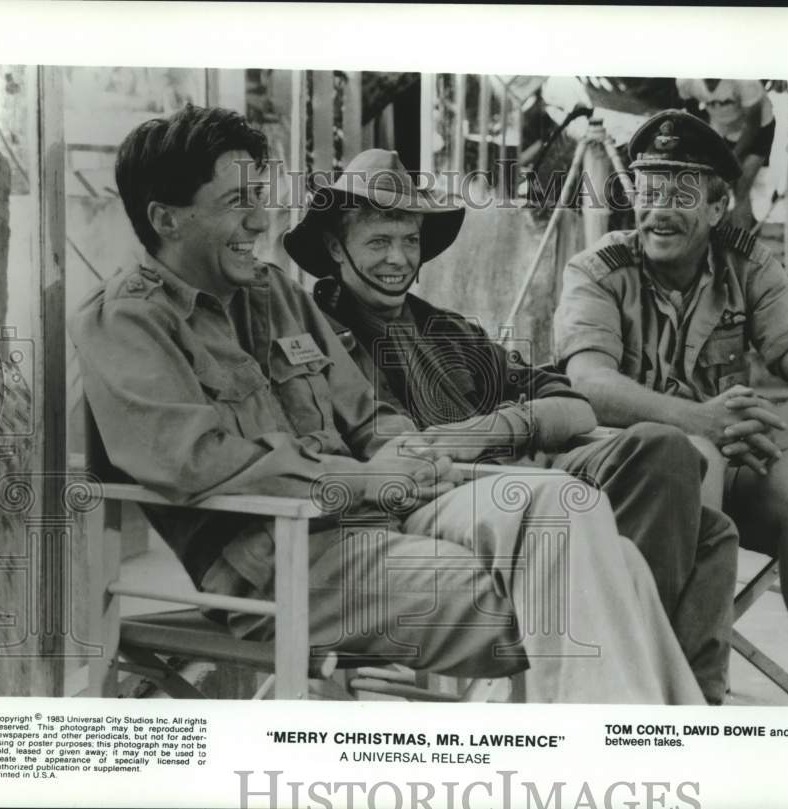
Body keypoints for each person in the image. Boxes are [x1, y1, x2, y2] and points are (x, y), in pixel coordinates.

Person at [69, 103, 706, 705]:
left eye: (259, 198)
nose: (260, 222)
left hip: (389, 513)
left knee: (576, 509)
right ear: (165, 218)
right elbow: (195, 463)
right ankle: (645, 758)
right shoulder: (127, 320)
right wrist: (365, 479)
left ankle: (645, 752)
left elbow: (367, 416)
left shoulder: (274, 295)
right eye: (237, 204)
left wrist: (410, 456)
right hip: (282, 561)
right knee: (601, 579)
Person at [282, 148, 739, 705]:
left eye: (409, 240)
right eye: (379, 241)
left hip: (516, 477)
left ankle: (652, 692)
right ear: (336, 247)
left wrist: (491, 429)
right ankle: (631, 691)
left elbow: (572, 406)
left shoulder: (446, 330)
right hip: (444, 505)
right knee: (679, 510)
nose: (398, 259)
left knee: (684, 489)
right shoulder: (322, 335)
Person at [553, 109, 788, 707]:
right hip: (623, 471)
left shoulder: (746, 264)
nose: (659, 209)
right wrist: (702, 421)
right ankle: (690, 685)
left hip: (722, 451)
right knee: (695, 456)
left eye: (681, 194)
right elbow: (588, 381)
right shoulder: (597, 269)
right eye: (648, 191)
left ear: (718, 208)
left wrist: (777, 435)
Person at [676, 79, 775, 230]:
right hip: (723, 130)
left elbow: (752, 126)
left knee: (741, 185)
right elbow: (691, 114)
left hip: (758, 130)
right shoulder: (687, 81)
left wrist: (730, 159)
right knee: (714, 184)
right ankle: (737, 225)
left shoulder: (747, 82)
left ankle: (741, 244)